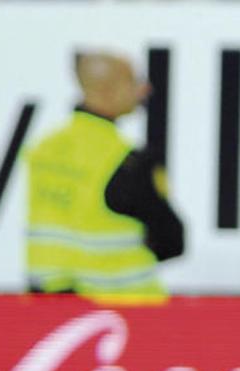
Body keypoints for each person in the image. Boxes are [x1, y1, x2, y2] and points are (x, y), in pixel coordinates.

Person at [25, 51, 184, 305]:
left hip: (51, 309)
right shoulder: (129, 161)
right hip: (124, 311)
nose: (144, 89)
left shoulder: (43, 149)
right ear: (109, 90)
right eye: (134, 81)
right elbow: (173, 241)